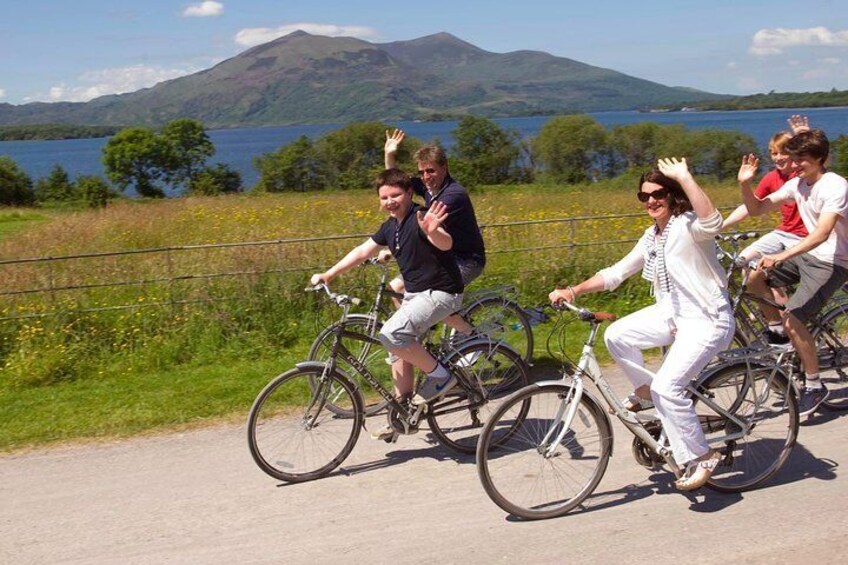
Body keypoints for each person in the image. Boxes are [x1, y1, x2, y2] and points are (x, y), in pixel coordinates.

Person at [549, 158, 734, 491]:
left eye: (658, 193)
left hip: (707, 320)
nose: (651, 201)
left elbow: (714, 221)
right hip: (673, 312)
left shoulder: (688, 225)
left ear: (673, 195)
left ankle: (702, 455)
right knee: (617, 334)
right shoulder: (652, 237)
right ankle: (646, 392)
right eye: (644, 196)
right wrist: (572, 290)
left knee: (669, 388)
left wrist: (686, 176)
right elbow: (616, 273)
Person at [310, 168, 464, 441]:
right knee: (398, 350)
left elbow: (445, 242)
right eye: (384, 197)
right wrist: (329, 274)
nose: (390, 201)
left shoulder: (421, 216)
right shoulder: (391, 226)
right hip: (416, 294)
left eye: (395, 195)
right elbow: (361, 251)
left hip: (440, 292)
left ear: (408, 193)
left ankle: (441, 377)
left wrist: (433, 231)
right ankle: (402, 413)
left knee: (392, 334)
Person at [738, 128, 848, 417]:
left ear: (821, 158)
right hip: (809, 254)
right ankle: (779, 334)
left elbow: (823, 233)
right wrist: (744, 184)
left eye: (803, 160)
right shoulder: (798, 184)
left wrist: (780, 255)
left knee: (795, 318)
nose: (796, 165)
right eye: (794, 158)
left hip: (834, 261)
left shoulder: (834, 185)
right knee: (753, 277)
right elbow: (758, 209)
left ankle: (814, 385)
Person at [383, 129, 486, 338]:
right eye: (421, 172)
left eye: (430, 171)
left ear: (444, 167)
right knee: (396, 287)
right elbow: (397, 186)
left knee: (433, 297)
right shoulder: (430, 188)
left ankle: (471, 334)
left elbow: (422, 226)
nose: (425, 177)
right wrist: (389, 155)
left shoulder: (452, 195)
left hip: (467, 260)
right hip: (443, 257)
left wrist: (393, 248)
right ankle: (420, 336)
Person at [722, 115, 810, 344]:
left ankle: (785, 316)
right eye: (773, 153)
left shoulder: (803, 173)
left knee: (765, 271)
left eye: (783, 152)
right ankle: (775, 324)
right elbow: (750, 206)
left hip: (805, 238)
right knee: (741, 262)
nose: (778, 158)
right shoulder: (772, 177)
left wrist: (803, 136)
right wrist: (720, 225)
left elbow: (819, 163)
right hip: (782, 233)